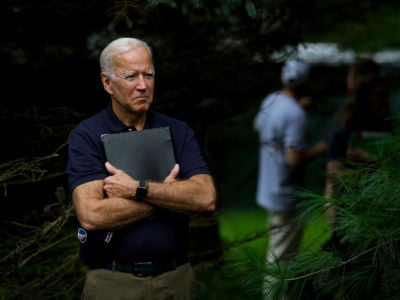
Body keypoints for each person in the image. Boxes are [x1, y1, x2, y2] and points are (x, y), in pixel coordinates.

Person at [66, 37, 216, 300]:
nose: (143, 85)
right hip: (113, 282)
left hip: (175, 280)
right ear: (107, 83)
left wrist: (137, 189)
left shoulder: (177, 130)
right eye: (131, 76)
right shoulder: (88, 135)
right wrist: (170, 195)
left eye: (149, 74)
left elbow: (205, 197)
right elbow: (91, 215)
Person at [253, 58, 326, 298]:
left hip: (268, 188)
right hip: (285, 193)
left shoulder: (272, 100)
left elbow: (258, 126)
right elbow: (293, 160)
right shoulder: (296, 114)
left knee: (277, 252)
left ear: (283, 78)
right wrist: (321, 148)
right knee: (282, 260)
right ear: (307, 83)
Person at [324, 72, 393, 223]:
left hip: (387, 211)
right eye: (379, 95)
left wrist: (369, 159)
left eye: (387, 95)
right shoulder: (345, 133)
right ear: (365, 98)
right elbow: (334, 176)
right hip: (353, 213)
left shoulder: (392, 131)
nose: (384, 100)